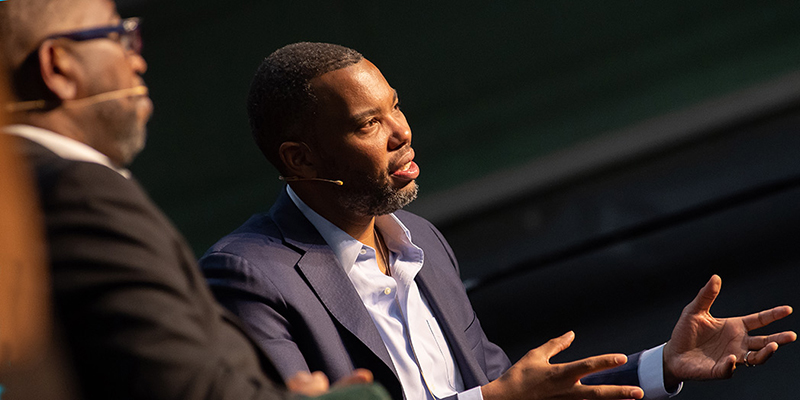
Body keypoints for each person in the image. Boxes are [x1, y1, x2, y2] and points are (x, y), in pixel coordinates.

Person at [199, 42, 797, 400]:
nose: (403, 132)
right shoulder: (249, 274)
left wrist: (662, 364)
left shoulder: (421, 241)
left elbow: (511, 389)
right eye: (367, 124)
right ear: (300, 159)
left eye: (396, 106)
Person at [0, 3, 389, 400]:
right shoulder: (76, 192)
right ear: (58, 67)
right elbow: (181, 388)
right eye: (119, 37)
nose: (137, 61)